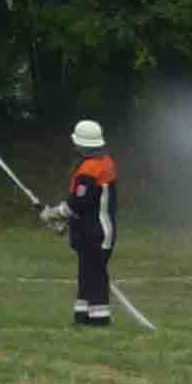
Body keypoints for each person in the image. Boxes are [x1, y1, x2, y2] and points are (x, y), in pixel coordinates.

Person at [53, 119, 119, 328]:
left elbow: (79, 203)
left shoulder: (90, 170)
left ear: (80, 145)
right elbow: (85, 205)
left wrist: (54, 214)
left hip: (96, 232)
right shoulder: (105, 162)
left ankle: (99, 321)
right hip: (89, 229)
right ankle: (82, 317)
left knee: (95, 277)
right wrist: (66, 221)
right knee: (86, 275)